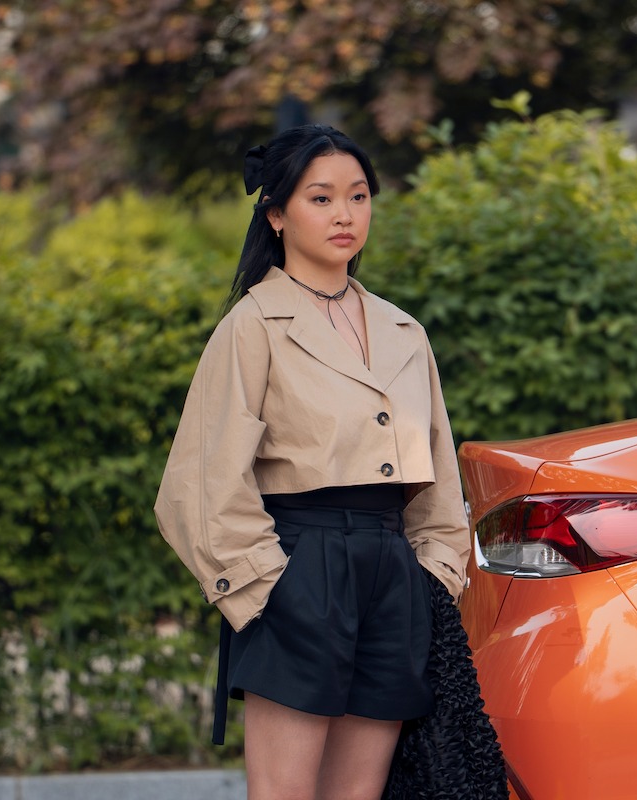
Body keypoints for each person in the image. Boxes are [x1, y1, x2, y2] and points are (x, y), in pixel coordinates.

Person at [154, 124, 471, 800]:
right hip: (299, 565)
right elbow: (200, 482)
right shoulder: (254, 324)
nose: (345, 215)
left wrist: (435, 577)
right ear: (277, 214)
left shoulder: (403, 331)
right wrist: (266, 587)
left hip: (393, 575)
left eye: (358, 197)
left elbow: (439, 474)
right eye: (321, 198)